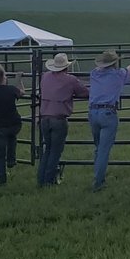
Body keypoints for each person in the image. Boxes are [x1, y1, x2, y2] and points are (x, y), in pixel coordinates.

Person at [36, 53, 89, 186]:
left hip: (44, 117)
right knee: (55, 151)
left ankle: (41, 179)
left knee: (47, 149)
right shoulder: (70, 80)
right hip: (59, 119)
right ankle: (48, 180)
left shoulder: (45, 76)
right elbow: (85, 92)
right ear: (66, 67)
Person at [87, 50, 130, 192]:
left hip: (93, 111)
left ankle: (98, 175)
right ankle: (98, 181)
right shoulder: (118, 74)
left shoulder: (94, 74)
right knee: (103, 149)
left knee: (98, 146)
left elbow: (97, 70)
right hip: (108, 112)